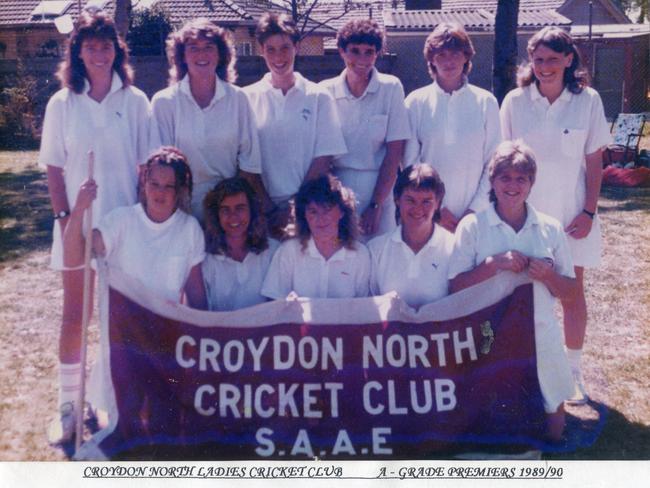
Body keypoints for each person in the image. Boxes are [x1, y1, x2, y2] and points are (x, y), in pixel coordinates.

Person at [39, 10, 153, 444]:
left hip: (122, 228)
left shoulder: (136, 101)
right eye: (91, 46)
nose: (100, 53)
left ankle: (117, 399)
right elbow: (52, 166)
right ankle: (69, 407)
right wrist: (66, 217)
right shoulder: (62, 103)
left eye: (107, 45)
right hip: (76, 225)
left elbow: (146, 166)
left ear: (116, 51)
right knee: (76, 315)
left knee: (118, 318)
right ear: (78, 53)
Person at [500, 27, 611, 404]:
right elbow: (502, 162)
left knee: (571, 294)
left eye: (552, 59)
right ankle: (526, 369)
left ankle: (573, 372)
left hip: (572, 218)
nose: (544, 67)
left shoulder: (589, 100)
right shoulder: (515, 101)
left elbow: (594, 161)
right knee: (524, 294)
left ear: (569, 59)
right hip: (525, 218)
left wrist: (589, 211)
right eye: (538, 59)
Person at [448, 140, 576, 441]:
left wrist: (547, 275)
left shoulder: (550, 227)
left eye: (521, 178)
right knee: (481, 424)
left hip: (537, 328)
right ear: (492, 181)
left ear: (532, 183)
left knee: (554, 425)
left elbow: (570, 292)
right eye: (505, 177)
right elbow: (455, 286)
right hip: (487, 331)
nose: (513, 186)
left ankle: (548, 440)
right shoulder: (473, 226)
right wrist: (492, 265)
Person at [64, 147, 207, 307]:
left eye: (168, 186)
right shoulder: (120, 221)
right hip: (123, 327)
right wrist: (79, 209)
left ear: (179, 190)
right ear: (144, 184)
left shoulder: (190, 229)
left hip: (166, 327)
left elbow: (196, 296)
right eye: (154, 184)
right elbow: (72, 260)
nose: (160, 192)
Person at [244, 13, 347, 236]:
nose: (278, 56)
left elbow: (323, 159)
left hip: (309, 211)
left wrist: (296, 208)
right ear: (261, 50)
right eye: (270, 49)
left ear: (297, 47)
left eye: (285, 47)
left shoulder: (319, 96)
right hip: (262, 213)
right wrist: (270, 212)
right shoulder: (245, 99)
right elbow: (246, 164)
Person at [151, 18, 263, 221]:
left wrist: (227, 214)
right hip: (178, 213)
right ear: (182, 56)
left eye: (209, 47)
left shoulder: (238, 99)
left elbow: (249, 166)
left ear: (221, 55)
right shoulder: (163, 102)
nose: (201, 54)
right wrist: (179, 218)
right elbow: (161, 172)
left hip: (227, 214)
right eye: (193, 48)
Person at [404, 22, 501, 233]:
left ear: (466, 56)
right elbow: (411, 164)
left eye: (455, 54)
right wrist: (436, 208)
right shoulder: (415, 102)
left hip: (477, 217)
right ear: (431, 59)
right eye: (441, 55)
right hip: (428, 215)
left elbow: (493, 164)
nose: (449, 61)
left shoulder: (486, 102)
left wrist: (474, 211)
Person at [320, 19, 410, 240]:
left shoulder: (391, 88)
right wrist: (331, 202)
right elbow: (321, 156)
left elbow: (394, 152)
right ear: (341, 51)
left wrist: (376, 205)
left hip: (380, 187)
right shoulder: (325, 92)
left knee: (380, 259)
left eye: (369, 52)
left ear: (377, 54)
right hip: (338, 190)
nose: (362, 59)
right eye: (354, 51)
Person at [261, 175, 370, 299]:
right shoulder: (288, 251)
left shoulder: (360, 254)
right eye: (313, 211)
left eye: (327, 210)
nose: (321, 218)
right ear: (304, 216)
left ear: (342, 212)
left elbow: (364, 309)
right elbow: (273, 301)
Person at [368, 164, 454, 309]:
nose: (418, 209)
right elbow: (368, 310)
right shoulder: (375, 249)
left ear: (438, 204)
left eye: (427, 201)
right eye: (410, 200)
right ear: (397, 200)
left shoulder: (454, 247)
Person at [202, 177, 279, 311]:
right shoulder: (205, 258)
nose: (233, 217)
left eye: (240, 208)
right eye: (225, 210)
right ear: (216, 215)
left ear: (253, 210)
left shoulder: (273, 251)